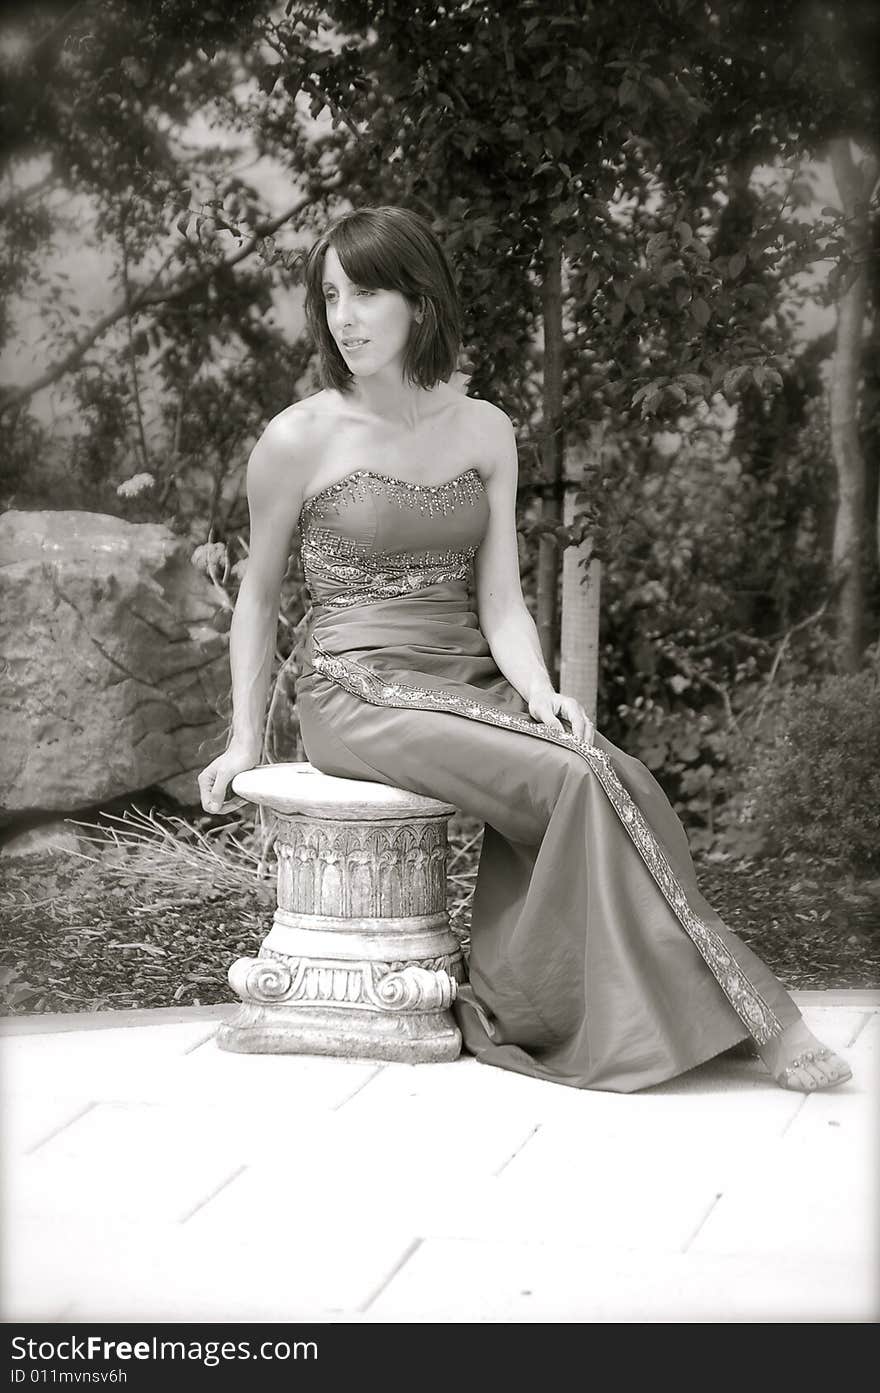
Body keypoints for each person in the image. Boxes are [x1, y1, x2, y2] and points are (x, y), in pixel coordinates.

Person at [198, 204, 850, 1095]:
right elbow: (259, 597)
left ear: (420, 302)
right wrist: (243, 739)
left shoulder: (485, 428)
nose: (343, 317)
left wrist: (540, 690)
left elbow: (500, 599)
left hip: (465, 674)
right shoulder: (298, 437)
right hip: (357, 687)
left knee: (608, 767)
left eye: (367, 293)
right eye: (331, 296)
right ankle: (761, 1019)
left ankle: (550, 1000)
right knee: (575, 779)